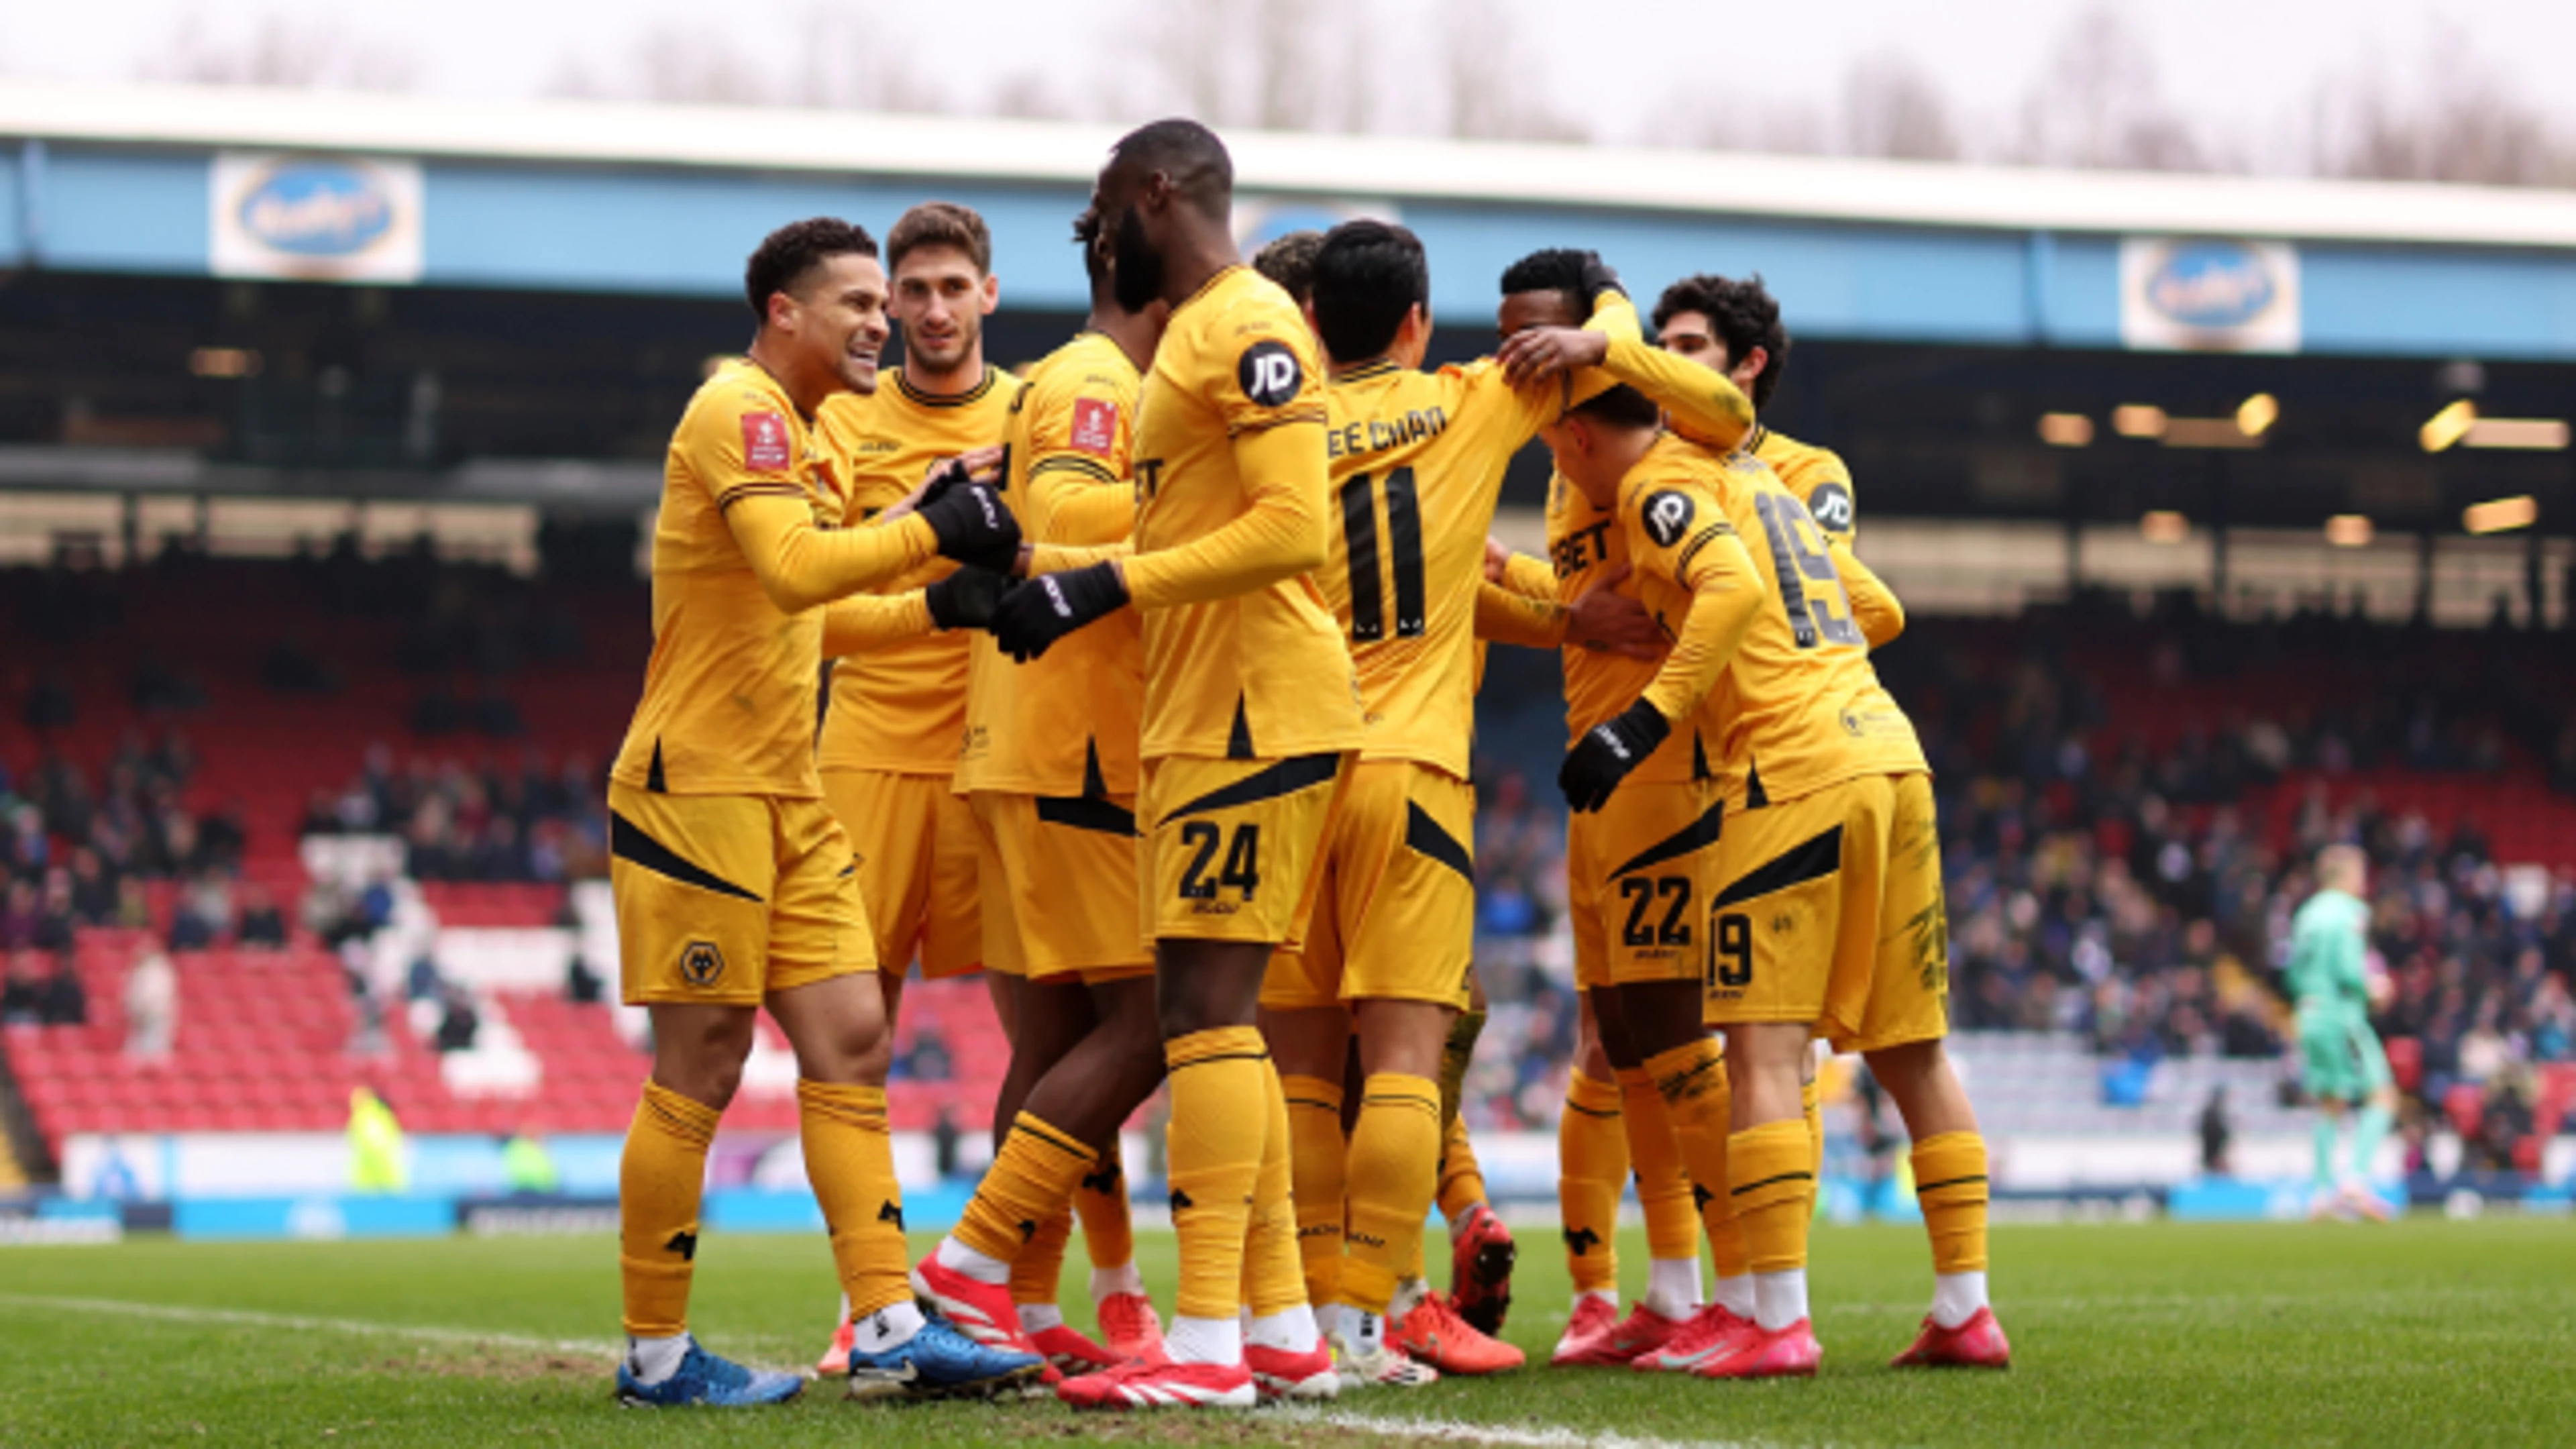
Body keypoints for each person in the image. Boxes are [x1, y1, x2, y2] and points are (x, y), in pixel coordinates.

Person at [1501, 319, 2009, 1376]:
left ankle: (1774, 1322)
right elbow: (1879, 605)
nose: (1557, 462)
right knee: (1914, 1052)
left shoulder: (1658, 486)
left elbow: (1728, 592)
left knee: (1763, 1050)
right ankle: (1966, 1308)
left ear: (1585, 438)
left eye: (1556, 445)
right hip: (1888, 754)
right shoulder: (1763, 479)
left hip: (1788, 772)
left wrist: (1649, 719)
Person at [602, 215, 1033, 1409]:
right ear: (784, 312)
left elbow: (817, 614)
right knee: (701, 1064)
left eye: (881, 307)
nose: (881, 324)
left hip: (786, 793)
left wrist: (944, 599)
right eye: (856, 304)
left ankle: (891, 1321)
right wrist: (930, 528)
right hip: (700, 789)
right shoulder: (735, 408)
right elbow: (797, 569)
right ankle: (655, 1357)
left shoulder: (801, 438)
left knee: (851, 1038)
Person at [989, 117, 1358, 1411]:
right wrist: (1033, 556)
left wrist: (1097, 585)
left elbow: (1290, 529)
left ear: (1158, 192)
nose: (1101, 233)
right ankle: (1278, 1331)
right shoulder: (1198, 337)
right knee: (1216, 1020)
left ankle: (1202, 1345)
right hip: (1217, 709)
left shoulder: (1244, 320)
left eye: (1106, 205)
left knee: (1201, 1015)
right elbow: (1180, 529)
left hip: (1253, 713)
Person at [1256, 220, 1646, 1386]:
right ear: (1419, 323)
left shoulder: (1275, 432)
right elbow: (1615, 350)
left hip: (1288, 771)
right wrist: (1597, 310)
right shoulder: (1469, 400)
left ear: (1309, 322)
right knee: (1408, 1066)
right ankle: (1373, 1323)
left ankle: (1300, 1325)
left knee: (1304, 1076)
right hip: (1412, 774)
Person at [907, 208, 1173, 1382]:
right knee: (1162, 1021)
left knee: (1057, 1038)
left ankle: (1005, 1298)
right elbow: (1065, 521)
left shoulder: (1063, 380)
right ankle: (970, 1263)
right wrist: (1207, 506)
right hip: (1073, 752)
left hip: (1025, 744)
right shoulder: (1095, 379)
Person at [1478, 251, 1757, 1369]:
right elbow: (1587, 602)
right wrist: (1536, 588)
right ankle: (1661, 1292)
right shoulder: (1564, 468)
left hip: (1671, 772)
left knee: (1681, 1043)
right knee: (1618, 1046)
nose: (1517, 350)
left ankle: (1751, 1292)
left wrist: (1605, 340)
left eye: (1533, 330)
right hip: (1595, 781)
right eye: (1504, 332)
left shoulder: (1663, 441)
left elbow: (1732, 409)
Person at [813, 201, 1017, 1028]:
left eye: (955, 287)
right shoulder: (839, 415)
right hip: (872, 753)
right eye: (917, 290)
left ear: (989, 294)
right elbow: (805, 608)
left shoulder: (1038, 414)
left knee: (1049, 1023)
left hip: (1003, 755)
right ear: (890, 302)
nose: (937, 309)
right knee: (856, 1027)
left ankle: (1042, 1169)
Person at [2288, 845, 2396, 1222]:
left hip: (2308, 1012)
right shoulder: (2350, 912)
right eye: (2361, 874)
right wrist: (2374, 989)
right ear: (2347, 876)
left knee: (2330, 1102)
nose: (2364, 883)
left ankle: (2320, 1194)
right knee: (2382, 1095)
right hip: (2339, 1014)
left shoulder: (2306, 914)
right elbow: (2349, 968)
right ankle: (2356, 1182)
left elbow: (2293, 972)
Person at [124, 946, 177, 1059]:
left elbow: (155, 998)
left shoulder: (160, 973)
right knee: (135, 1054)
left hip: (156, 1018)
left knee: (155, 1053)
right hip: (139, 1020)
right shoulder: (139, 972)